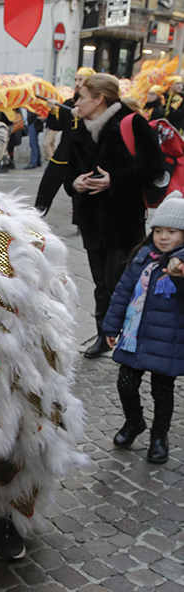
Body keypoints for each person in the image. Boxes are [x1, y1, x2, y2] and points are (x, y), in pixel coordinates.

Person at [65, 72, 164, 359]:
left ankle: (123, 335)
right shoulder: (79, 127)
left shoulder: (130, 122)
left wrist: (115, 181)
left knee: (118, 282)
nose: (76, 101)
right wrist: (75, 184)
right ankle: (103, 335)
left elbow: (154, 167)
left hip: (123, 218)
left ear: (99, 99)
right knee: (99, 283)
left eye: (81, 96)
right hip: (92, 219)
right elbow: (68, 170)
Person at [103, 191, 184, 464]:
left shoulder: (180, 265)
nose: (163, 237)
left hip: (166, 341)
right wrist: (111, 327)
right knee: (126, 384)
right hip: (134, 337)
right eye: (158, 230)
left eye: (172, 231)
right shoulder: (142, 258)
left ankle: (159, 436)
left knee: (162, 391)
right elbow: (122, 293)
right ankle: (134, 421)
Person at [35, 66, 94, 215]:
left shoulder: (93, 106)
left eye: (81, 79)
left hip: (83, 156)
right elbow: (56, 125)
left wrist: (82, 117)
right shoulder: (68, 103)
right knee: (47, 187)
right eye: (76, 79)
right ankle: (37, 216)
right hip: (63, 154)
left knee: (81, 194)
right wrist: (53, 110)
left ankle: (81, 223)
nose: (77, 83)